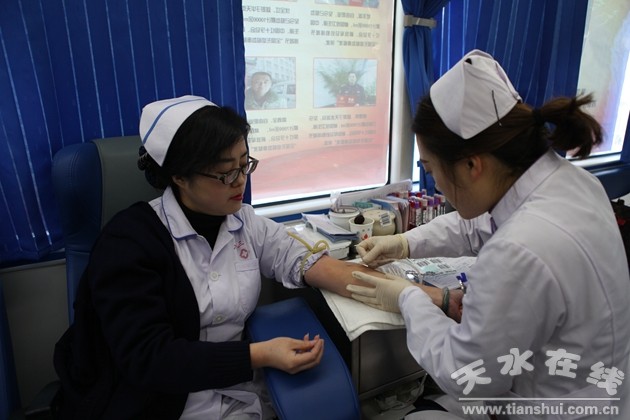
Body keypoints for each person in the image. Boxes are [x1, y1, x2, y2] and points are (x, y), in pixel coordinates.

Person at [52, 95, 390, 419]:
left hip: (236, 392)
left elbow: (302, 260)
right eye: (226, 173)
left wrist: (402, 292)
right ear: (179, 176)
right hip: (160, 402)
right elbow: (149, 359)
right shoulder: (128, 242)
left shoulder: (244, 221)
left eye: (245, 165)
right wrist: (259, 354)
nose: (240, 181)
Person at [347, 50, 630, 418]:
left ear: (471, 165)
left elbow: (466, 374)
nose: (435, 183)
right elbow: (481, 224)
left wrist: (408, 298)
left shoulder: (518, 250)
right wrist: (405, 242)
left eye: (431, 169)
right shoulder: (571, 182)